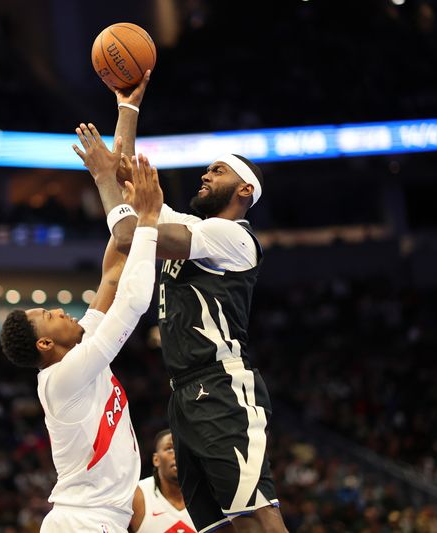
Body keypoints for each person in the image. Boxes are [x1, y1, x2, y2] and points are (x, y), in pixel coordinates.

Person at [72, 73, 287, 533]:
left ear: (244, 190)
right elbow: (130, 181)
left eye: (219, 170)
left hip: (221, 383)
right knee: (224, 523)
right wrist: (127, 108)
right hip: (184, 392)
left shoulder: (232, 237)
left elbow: (129, 233)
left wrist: (101, 178)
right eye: (207, 169)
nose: (206, 175)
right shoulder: (193, 228)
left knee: (259, 512)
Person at [0, 153, 163, 533]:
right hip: (85, 521)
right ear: (44, 345)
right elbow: (134, 301)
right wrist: (150, 220)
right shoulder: (66, 374)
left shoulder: (78, 353)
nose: (59, 310)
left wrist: (112, 188)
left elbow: (111, 277)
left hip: (94, 520)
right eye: (49, 316)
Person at [129, 428, 196, 533]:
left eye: (181, 449)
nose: (177, 454)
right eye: (169, 449)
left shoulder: (207, 494)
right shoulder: (137, 495)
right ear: (156, 459)